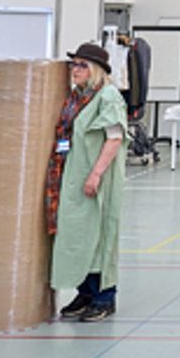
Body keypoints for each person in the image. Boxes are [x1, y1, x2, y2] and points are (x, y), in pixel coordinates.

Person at [48, 42, 127, 322]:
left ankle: (104, 296)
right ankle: (85, 292)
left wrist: (95, 174)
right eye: (74, 64)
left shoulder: (108, 97)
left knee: (99, 236)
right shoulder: (76, 98)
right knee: (77, 235)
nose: (75, 70)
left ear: (95, 70)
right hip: (74, 176)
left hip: (98, 178)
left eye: (82, 65)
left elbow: (115, 137)